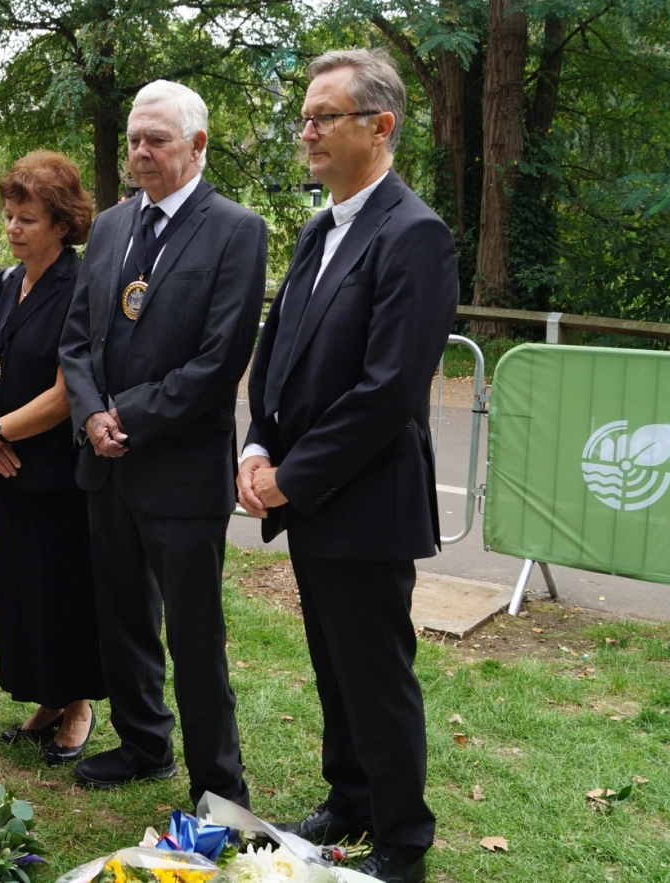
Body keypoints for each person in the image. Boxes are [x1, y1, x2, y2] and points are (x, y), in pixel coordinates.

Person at [237, 49, 458, 883]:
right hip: (309, 495)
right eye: (305, 117)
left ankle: (403, 834)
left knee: (375, 668)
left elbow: (387, 391)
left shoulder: (415, 234)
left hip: (365, 499)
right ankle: (351, 795)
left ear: (381, 125)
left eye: (324, 116)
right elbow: (279, 348)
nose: (308, 132)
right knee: (333, 657)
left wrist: (291, 475)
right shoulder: (319, 227)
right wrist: (259, 441)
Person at [59, 79, 266, 806]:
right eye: (135, 140)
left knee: (195, 638)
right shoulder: (113, 227)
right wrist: (91, 415)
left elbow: (218, 360)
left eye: (156, 141)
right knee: (121, 617)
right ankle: (145, 742)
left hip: (179, 470)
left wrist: (129, 416)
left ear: (198, 145)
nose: (140, 153)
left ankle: (219, 785)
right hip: (105, 463)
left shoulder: (237, 230)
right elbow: (77, 339)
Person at [0, 152, 103, 764]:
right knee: (24, 588)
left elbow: (67, 390)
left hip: (58, 467)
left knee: (65, 586)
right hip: (6, 462)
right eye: (10, 216)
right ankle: (45, 699)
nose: (13, 228)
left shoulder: (80, 288)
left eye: (27, 220)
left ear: (62, 223)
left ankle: (78, 707)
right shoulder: (2, 282)